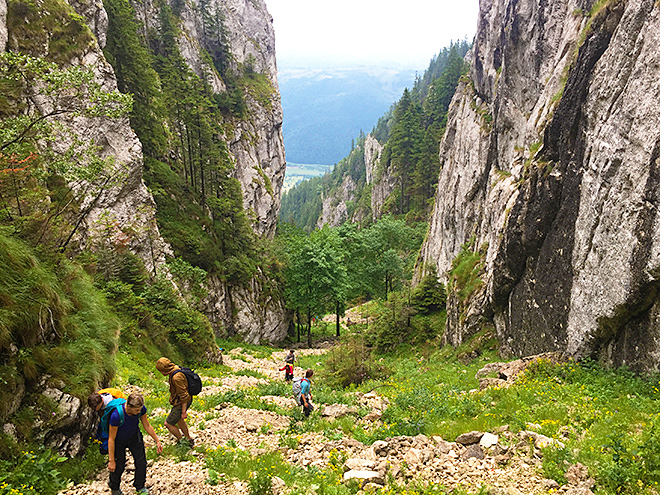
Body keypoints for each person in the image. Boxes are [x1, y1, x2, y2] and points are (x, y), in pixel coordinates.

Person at [107, 392, 162, 495]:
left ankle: (140, 486)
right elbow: (111, 438)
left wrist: (157, 440)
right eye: (137, 410)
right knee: (119, 465)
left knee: (141, 462)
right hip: (119, 441)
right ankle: (114, 487)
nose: (139, 412)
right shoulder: (116, 415)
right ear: (128, 406)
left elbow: (147, 425)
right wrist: (111, 460)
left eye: (140, 409)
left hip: (134, 437)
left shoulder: (141, 410)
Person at [155, 357, 194, 447]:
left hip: (182, 402)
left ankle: (182, 441)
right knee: (179, 419)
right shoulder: (175, 368)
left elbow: (184, 395)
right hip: (182, 400)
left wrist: (183, 411)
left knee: (168, 423)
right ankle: (188, 438)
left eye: (160, 371)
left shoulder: (176, 378)